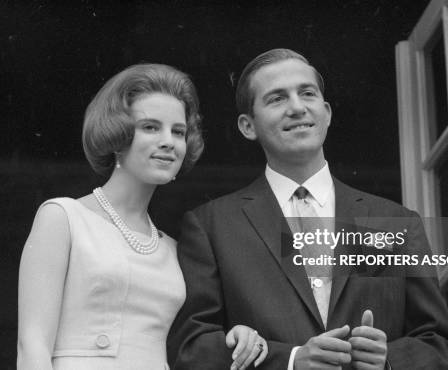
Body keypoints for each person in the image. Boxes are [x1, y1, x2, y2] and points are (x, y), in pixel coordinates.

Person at [168, 49, 448, 369]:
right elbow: (192, 348)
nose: (297, 107)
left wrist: (390, 360)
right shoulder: (211, 226)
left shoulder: (397, 223)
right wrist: (291, 361)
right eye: (277, 98)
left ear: (327, 112)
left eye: (307, 93)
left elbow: (439, 345)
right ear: (247, 126)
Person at [17, 63, 268, 370]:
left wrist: (236, 336)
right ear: (117, 133)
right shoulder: (63, 218)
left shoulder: (174, 249)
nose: (168, 141)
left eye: (178, 131)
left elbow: (187, 341)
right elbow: (32, 345)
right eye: (150, 127)